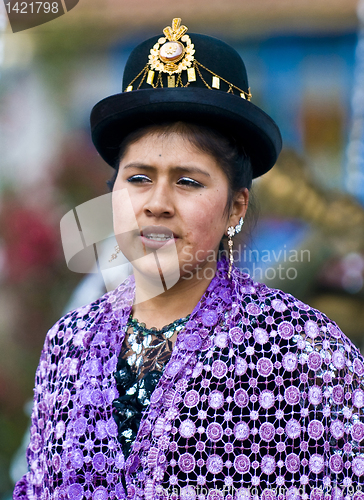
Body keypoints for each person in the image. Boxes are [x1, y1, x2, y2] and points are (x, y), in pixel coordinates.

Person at [13, 18, 364, 500]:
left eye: (188, 181)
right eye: (138, 178)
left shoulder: (305, 354)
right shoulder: (68, 347)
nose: (157, 202)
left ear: (236, 207)